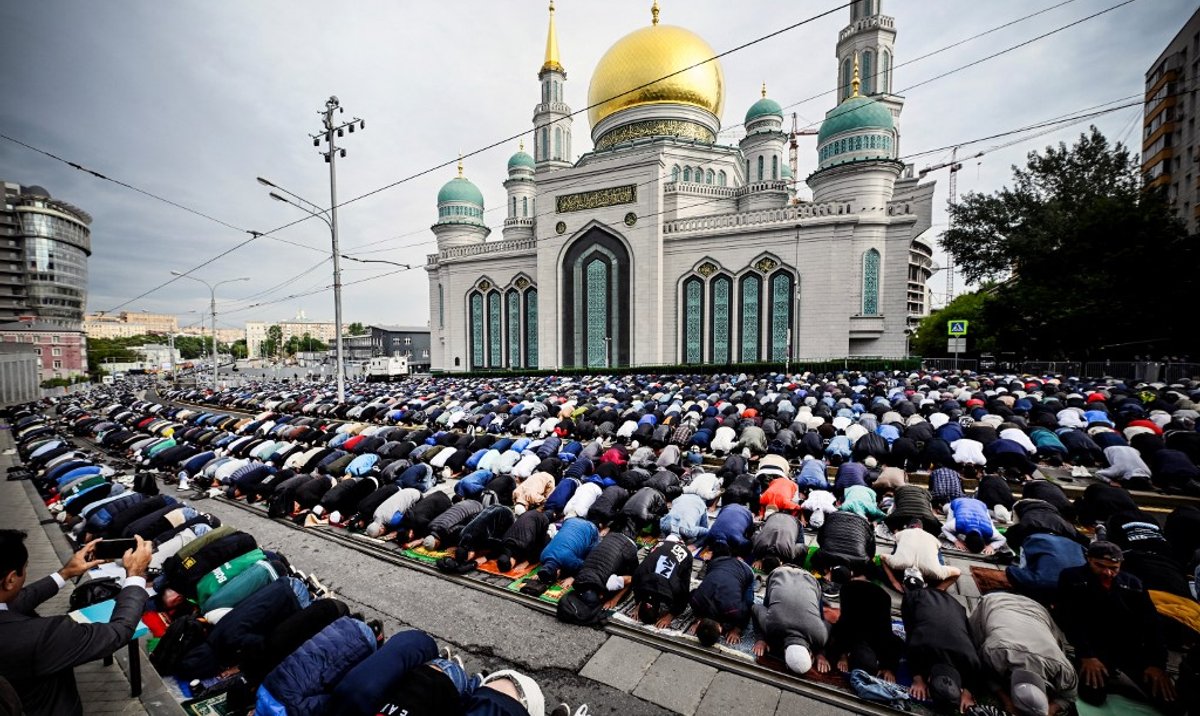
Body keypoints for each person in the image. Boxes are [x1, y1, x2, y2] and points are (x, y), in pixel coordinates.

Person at [0, 530, 154, 716]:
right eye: (25, 568)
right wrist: (135, 576)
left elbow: (15, 602)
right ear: (10, 579)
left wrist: (65, 573)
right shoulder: (40, 636)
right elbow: (117, 632)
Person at [1054, 541, 1177, 712]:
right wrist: (1086, 655)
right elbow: (1069, 619)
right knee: (1093, 696)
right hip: (1094, 647)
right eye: (1101, 566)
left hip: (1129, 649)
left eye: (1114, 568)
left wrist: (1156, 664)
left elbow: (1152, 625)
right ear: (1088, 559)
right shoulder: (1072, 578)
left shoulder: (1133, 584)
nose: (1108, 573)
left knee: (1169, 702)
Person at [968, 592, 1078, 716]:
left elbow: (1070, 695)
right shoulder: (994, 652)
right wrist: (1007, 701)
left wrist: (1051, 709)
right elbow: (984, 672)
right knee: (971, 643)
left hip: (1036, 609)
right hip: (995, 601)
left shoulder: (1065, 670)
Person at [902, 586, 981, 713]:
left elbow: (976, 679)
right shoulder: (919, 647)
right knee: (911, 628)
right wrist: (918, 680)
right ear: (928, 679)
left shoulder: (972, 662)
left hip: (955, 605)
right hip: (918, 597)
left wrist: (968, 693)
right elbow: (911, 654)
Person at [820, 574, 902, 682]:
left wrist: (888, 668)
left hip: (872, 605)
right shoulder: (852, 632)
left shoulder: (880, 637)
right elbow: (844, 626)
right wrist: (842, 655)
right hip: (857, 599)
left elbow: (887, 636)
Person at [750, 565, 827, 675]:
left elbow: (755, 608)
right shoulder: (771, 626)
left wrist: (821, 653)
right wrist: (760, 638)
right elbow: (755, 608)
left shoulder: (820, 636)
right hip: (782, 574)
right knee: (768, 606)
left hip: (807, 578)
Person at [689, 552, 755, 647]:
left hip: (744, 569)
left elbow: (748, 609)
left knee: (748, 601)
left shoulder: (733, 610)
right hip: (717, 562)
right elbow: (694, 592)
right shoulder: (696, 601)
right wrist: (698, 619)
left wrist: (736, 630)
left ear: (720, 629)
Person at [632, 536, 693, 628]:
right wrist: (638, 605)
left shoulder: (674, 588)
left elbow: (684, 597)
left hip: (684, 553)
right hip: (663, 544)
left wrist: (670, 616)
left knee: (683, 578)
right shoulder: (639, 576)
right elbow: (636, 589)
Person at [881, 523, 961, 591]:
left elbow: (880, 557)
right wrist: (939, 590)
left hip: (923, 567)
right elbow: (958, 572)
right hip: (931, 550)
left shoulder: (902, 533)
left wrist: (894, 581)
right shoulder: (931, 536)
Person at [942, 498, 1007, 556]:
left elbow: (1003, 539)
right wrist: (956, 541)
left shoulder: (990, 530)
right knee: (945, 510)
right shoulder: (958, 524)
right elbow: (944, 528)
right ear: (964, 542)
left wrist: (991, 546)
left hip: (980, 505)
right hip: (959, 502)